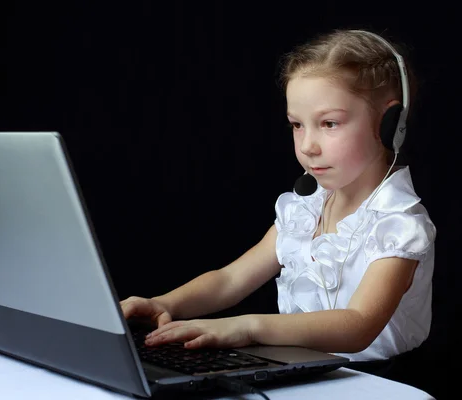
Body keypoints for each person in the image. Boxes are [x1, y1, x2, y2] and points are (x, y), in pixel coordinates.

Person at [120, 28, 436, 367]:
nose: (307, 145)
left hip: (380, 381)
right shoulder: (305, 209)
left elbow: (358, 324)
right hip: (302, 371)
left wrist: (249, 326)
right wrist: (165, 304)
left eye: (329, 123)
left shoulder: (399, 225)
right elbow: (231, 279)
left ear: (391, 123)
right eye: (297, 125)